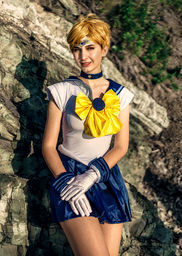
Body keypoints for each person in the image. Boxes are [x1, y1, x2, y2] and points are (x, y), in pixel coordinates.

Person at [42, 13, 134, 256]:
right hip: (69, 178)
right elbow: (49, 147)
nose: (83, 56)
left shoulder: (121, 94)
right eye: (76, 49)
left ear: (104, 49)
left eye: (90, 48)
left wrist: (93, 175)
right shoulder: (61, 91)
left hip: (106, 179)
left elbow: (121, 147)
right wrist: (64, 181)